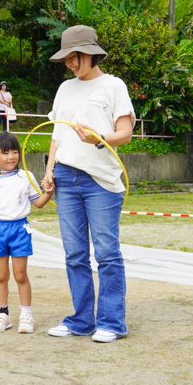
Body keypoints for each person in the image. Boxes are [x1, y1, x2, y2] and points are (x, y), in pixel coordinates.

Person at [42, 25, 134, 344]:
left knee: (107, 252)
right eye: (66, 58)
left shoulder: (114, 86)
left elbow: (125, 133)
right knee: (74, 253)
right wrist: (49, 170)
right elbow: (57, 134)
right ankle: (81, 320)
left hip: (100, 179)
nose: (69, 63)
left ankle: (111, 321)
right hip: (66, 176)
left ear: (91, 54)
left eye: (73, 56)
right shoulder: (65, 89)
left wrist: (99, 138)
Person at [0, 132, 54, 334]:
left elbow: (38, 203)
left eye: (15, 152)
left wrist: (49, 193)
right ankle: (3, 314)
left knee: (20, 275)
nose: (11, 157)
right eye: (5, 152)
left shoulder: (26, 176)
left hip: (19, 229)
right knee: (1, 276)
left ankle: (26, 315)